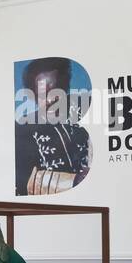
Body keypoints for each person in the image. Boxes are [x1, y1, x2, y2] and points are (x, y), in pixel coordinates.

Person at [13, 56, 92, 196]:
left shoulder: (84, 107)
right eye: (43, 94)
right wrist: (75, 181)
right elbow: (23, 180)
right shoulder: (22, 127)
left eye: (57, 91)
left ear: (66, 87)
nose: (51, 99)